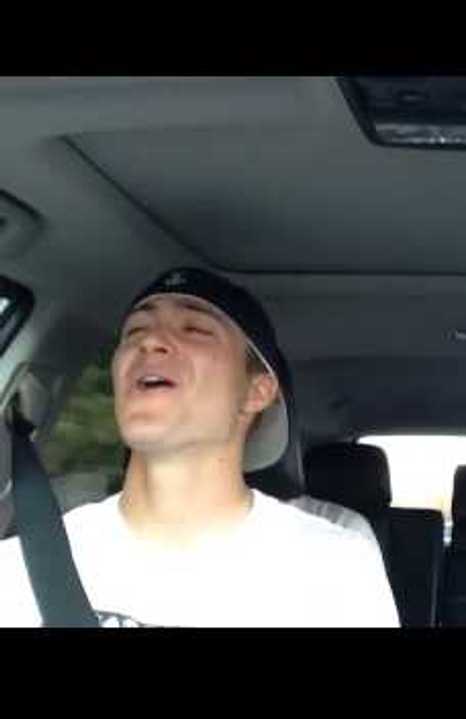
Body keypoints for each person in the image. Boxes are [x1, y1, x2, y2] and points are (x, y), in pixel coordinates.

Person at [0, 267, 399, 627]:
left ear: (257, 391)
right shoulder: (21, 565)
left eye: (195, 329)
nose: (150, 341)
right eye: (134, 331)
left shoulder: (333, 569)